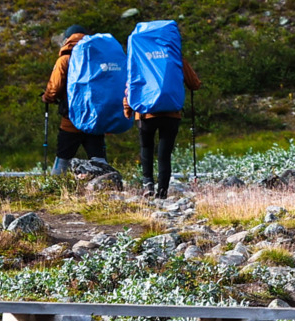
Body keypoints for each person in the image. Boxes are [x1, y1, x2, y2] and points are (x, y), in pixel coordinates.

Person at [123, 19, 203, 199]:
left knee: (146, 148)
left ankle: (148, 184)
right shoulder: (175, 55)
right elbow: (193, 83)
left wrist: (128, 108)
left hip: (146, 113)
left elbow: (131, 82)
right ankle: (163, 191)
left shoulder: (140, 55)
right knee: (164, 153)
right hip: (171, 113)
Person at [43, 28, 124, 174]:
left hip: (71, 119)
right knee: (99, 158)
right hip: (94, 118)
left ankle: (55, 187)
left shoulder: (65, 59)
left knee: (63, 158)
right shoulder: (96, 56)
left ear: (67, 39)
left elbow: (54, 88)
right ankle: (107, 185)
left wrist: (47, 98)